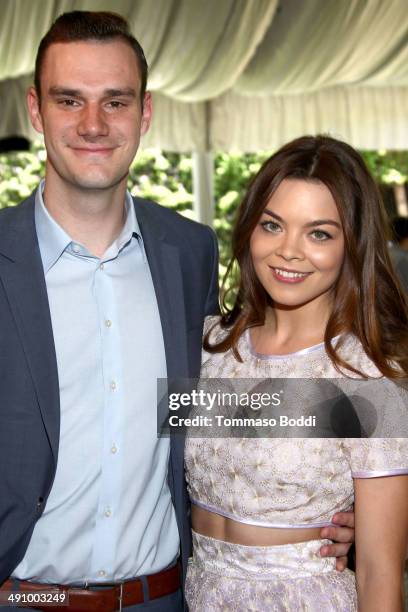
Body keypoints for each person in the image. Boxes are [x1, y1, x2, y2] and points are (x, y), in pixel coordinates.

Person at [0, 11, 354, 612]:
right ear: (36, 110)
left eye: (115, 102)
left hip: (164, 598)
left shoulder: (188, 252)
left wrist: (324, 508)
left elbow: (214, 403)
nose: (92, 124)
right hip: (25, 599)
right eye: (69, 100)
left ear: (144, 114)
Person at [184, 135, 408, 610]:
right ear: (249, 229)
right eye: (272, 225)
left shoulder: (369, 379)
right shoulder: (207, 347)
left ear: (353, 245)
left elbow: (379, 573)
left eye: (319, 233)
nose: (289, 251)